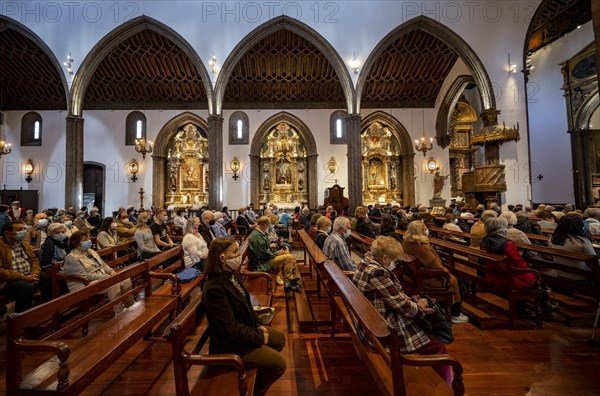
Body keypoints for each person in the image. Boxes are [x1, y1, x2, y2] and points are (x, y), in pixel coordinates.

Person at [353, 236, 453, 386]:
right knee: (438, 345)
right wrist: (420, 307)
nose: (396, 264)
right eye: (395, 261)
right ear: (385, 258)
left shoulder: (366, 263)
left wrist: (413, 301)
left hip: (374, 318)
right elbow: (402, 306)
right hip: (384, 327)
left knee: (431, 334)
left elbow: (394, 297)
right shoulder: (377, 272)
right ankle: (445, 387)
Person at [202, 237, 286, 396]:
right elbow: (230, 329)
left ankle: (258, 373)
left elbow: (246, 303)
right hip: (229, 346)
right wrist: (260, 337)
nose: (239, 255)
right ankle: (255, 392)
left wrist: (259, 324)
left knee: (279, 339)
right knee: (279, 364)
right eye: (234, 252)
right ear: (222, 257)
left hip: (244, 331)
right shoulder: (214, 288)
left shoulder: (229, 274)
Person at [480, 217, 558, 315]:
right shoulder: (508, 244)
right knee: (535, 276)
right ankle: (543, 306)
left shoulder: (484, 242)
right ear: (502, 228)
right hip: (510, 278)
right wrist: (529, 267)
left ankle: (523, 307)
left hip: (494, 274)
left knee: (532, 276)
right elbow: (519, 264)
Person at [402, 221, 468, 324]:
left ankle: (447, 308)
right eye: (425, 228)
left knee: (458, 279)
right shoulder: (422, 247)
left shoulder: (407, 243)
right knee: (457, 280)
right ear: (421, 231)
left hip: (413, 275)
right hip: (428, 278)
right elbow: (435, 265)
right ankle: (456, 313)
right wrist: (446, 271)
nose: (427, 230)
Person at [62, 231, 134, 313]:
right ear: (76, 243)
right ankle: (119, 311)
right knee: (113, 283)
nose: (88, 241)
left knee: (125, 279)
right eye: (85, 240)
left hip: (100, 279)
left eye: (88, 239)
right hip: (85, 284)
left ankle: (131, 305)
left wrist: (110, 272)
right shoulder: (71, 258)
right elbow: (85, 276)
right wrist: (106, 277)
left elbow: (103, 264)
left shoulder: (91, 251)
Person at [0, 221, 52, 312]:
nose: (24, 231)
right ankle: (21, 318)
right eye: (19, 229)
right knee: (26, 287)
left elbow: (34, 260)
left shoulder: (23, 242)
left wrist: (34, 273)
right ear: (7, 233)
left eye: (24, 228)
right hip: (7, 280)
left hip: (28, 275)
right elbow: (1, 271)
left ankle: (44, 309)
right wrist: (25, 278)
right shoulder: (1, 246)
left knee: (45, 278)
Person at [248, 216, 300, 291]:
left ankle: (288, 279)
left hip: (265, 258)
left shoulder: (258, 233)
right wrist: (276, 253)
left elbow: (264, 249)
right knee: (288, 257)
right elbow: (263, 254)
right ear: (265, 225)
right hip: (262, 263)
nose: (267, 227)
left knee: (286, 252)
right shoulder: (257, 236)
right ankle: (288, 281)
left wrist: (276, 251)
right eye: (268, 225)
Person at [549, 216, 595, 281]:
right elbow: (594, 264)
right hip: (581, 276)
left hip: (560, 272)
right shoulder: (581, 241)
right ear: (578, 226)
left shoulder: (553, 239)